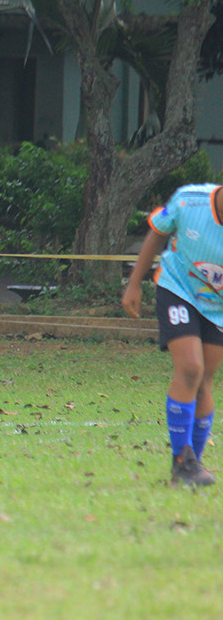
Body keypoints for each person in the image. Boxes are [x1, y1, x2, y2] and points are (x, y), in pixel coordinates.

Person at [122, 183, 221, 487]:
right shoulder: (190, 201)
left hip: (217, 306)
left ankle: (191, 466)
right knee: (191, 368)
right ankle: (182, 458)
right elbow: (157, 231)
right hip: (177, 289)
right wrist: (134, 283)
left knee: (205, 380)